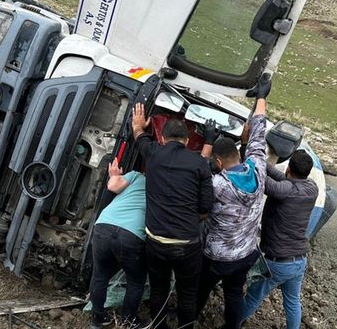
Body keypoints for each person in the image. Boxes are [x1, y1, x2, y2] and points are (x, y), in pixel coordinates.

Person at [196, 74, 271, 329]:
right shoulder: (258, 171)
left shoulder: (217, 185)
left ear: (218, 163)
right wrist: (261, 97)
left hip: (215, 256)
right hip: (245, 254)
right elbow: (260, 135)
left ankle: (189, 319)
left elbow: (194, 177)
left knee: (200, 289)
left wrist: (206, 142)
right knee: (233, 295)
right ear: (239, 154)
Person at [132, 103, 214, 329]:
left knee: (159, 289)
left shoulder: (153, 153)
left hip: (156, 242)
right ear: (187, 142)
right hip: (187, 245)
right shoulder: (199, 164)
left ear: (164, 139)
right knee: (188, 293)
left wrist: (139, 125)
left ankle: (158, 326)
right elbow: (206, 206)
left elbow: (139, 137)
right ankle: (186, 326)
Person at [240, 149, 319, 329]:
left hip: (277, 262)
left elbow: (261, 178)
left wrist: (247, 154)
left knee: (253, 297)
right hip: (299, 261)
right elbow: (277, 175)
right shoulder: (311, 188)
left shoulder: (284, 190)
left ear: (289, 168)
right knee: (292, 303)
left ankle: (233, 323)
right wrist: (258, 160)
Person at [89, 159, 149, 329]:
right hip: (132, 234)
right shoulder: (166, 189)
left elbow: (112, 187)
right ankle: (129, 321)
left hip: (103, 226)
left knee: (99, 275)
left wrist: (114, 175)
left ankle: (98, 317)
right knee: (136, 281)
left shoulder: (136, 176)